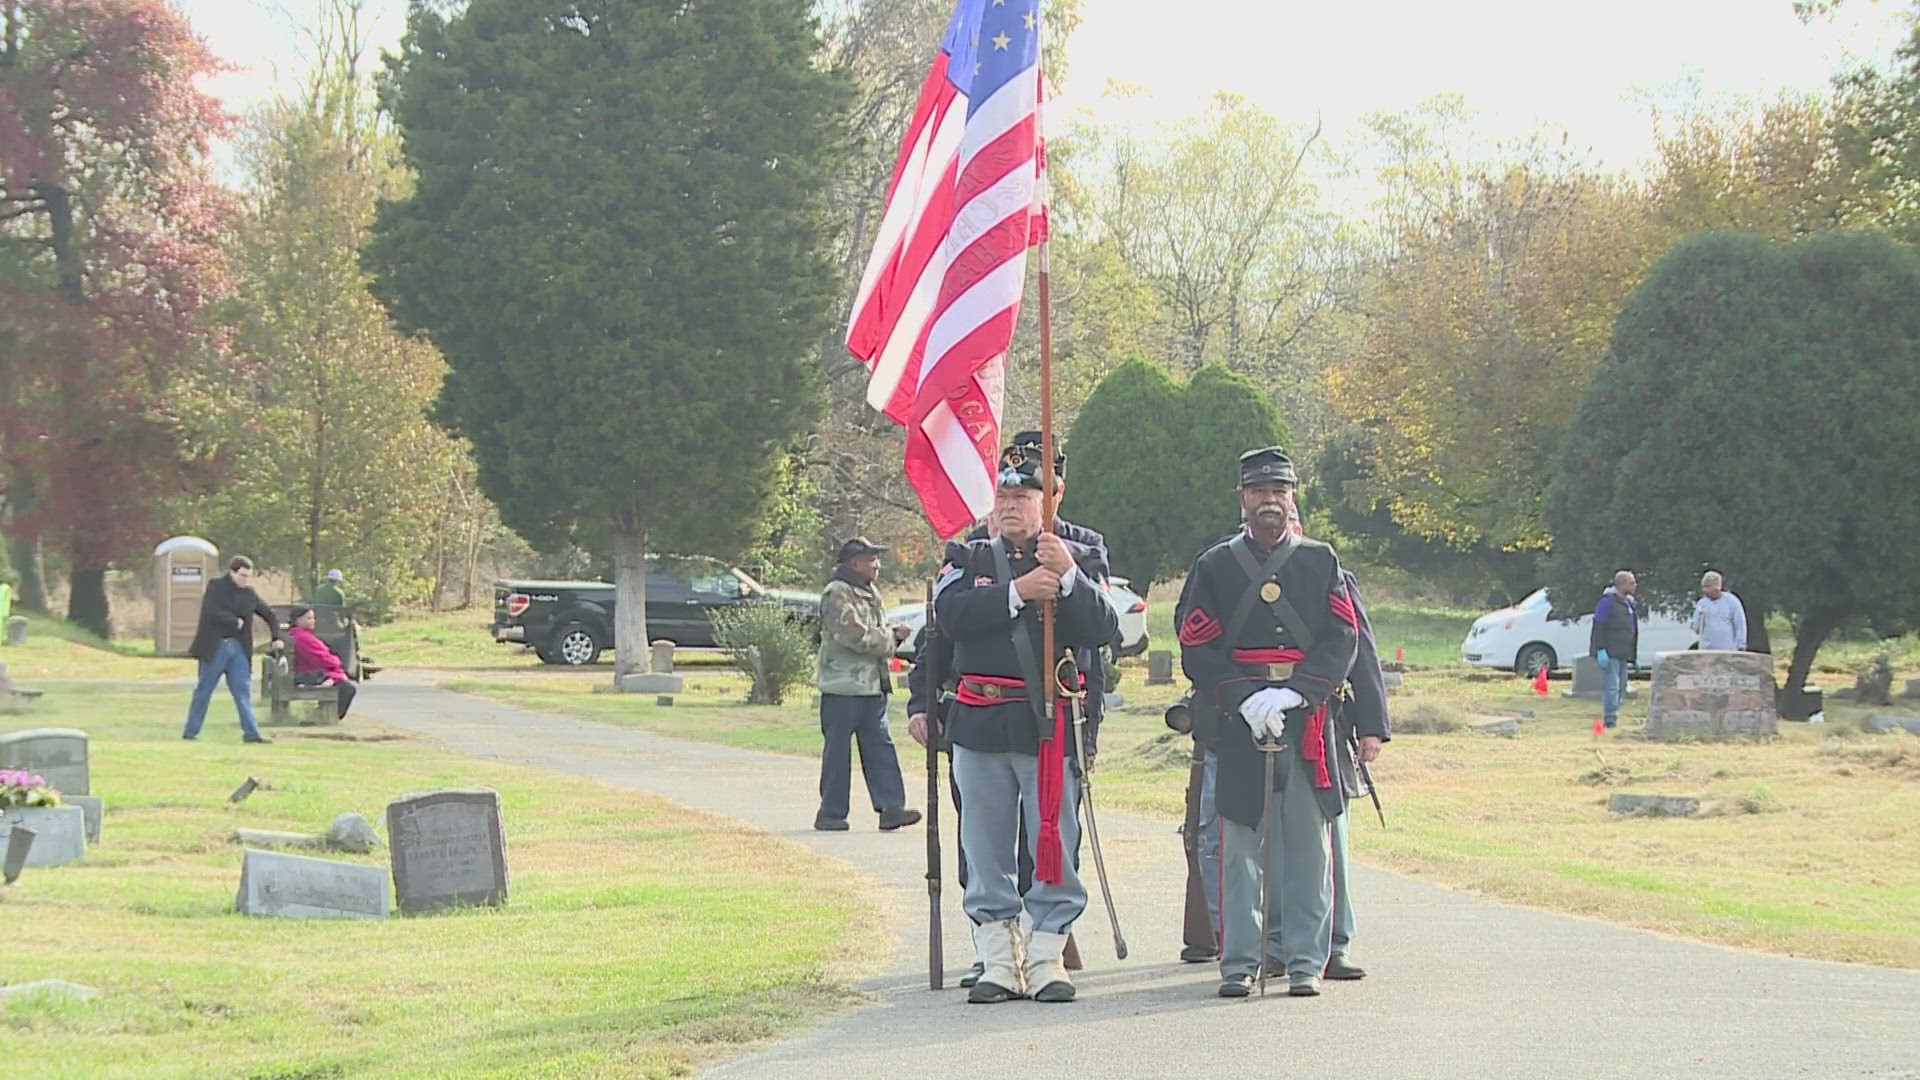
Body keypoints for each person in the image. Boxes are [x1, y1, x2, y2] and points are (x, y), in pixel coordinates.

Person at [909, 436, 1108, 984]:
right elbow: (949, 617)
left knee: (1053, 844)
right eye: (1005, 494)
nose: (1012, 503)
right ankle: (997, 957)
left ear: (1051, 500)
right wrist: (1018, 590)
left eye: (1026, 494)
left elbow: (1103, 629)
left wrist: (1066, 577)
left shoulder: (1082, 556)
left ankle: (1046, 957)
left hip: (1047, 725)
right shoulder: (969, 557)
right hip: (980, 721)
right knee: (985, 845)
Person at [1178, 448, 1363, 998]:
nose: (1270, 502)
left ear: (1293, 497)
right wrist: (1245, 697)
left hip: (1305, 719)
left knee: (1310, 843)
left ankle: (1306, 961)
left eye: (1279, 492)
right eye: (1259, 492)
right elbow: (1196, 642)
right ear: (1242, 499)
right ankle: (1240, 962)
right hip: (1240, 721)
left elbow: (1343, 637)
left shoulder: (1320, 560)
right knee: (1238, 846)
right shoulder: (1213, 567)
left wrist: (1297, 695)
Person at [814, 537, 921, 833]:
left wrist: (888, 636)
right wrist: (892, 638)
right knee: (838, 753)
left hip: (872, 687)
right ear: (854, 563)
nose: (877, 565)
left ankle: (892, 808)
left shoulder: (869, 592)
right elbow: (852, 635)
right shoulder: (837, 593)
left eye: (877, 559)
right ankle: (832, 814)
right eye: (871, 559)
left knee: (881, 748)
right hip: (842, 687)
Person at [182, 556, 285, 744]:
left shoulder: (249, 594)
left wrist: (276, 637)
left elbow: (269, 614)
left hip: (238, 648)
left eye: (248, 576)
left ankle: (251, 733)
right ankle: (191, 732)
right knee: (204, 690)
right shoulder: (216, 587)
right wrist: (233, 620)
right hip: (216, 646)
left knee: (243, 691)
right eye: (242, 575)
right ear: (232, 572)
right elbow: (210, 611)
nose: (245, 580)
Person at [288, 605, 358, 719]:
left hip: (307, 672)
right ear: (298, 620)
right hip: (309, 675)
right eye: (309, 618)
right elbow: (320, 658)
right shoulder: (303, 638)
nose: (313, 621)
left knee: (345, 685)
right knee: (348, 689)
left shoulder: (298, 635)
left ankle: (322, 715)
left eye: (313, 618)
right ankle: (331, 717)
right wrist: (336, 661)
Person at [1591, 570, 1639, 730]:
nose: (1635, 585)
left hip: (1623, 652)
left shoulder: (1629, 603)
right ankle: (1610, 720)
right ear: (1622, 584)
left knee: (1622, 687)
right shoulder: (1607, 602)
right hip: (1610, 651)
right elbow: (1598, 626)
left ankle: (1615, 714)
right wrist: (1600, 649)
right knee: (1612, 687)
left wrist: (1633, 654)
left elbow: (1632, 629)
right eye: (1632, 582)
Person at [1692, 571, 1748, 652]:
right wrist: (1700, 622)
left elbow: (1740, 624)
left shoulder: (1732, 601)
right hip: (1707, 651)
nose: (1704, 590)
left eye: (1707, 586)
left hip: (1728, 651)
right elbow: (1696, 628)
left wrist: (1740, 645)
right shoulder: (1702, 603)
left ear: (1717, 586)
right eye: (1703, 587)